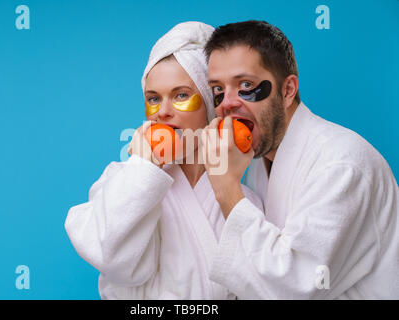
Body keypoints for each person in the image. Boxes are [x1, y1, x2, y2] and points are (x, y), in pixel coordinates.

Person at [200, 20, 399, 299]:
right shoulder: (259, 162)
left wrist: (225, 187)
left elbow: (292, 289)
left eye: (246, 84)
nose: (226, 103)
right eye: (218, 90)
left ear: (288, 90)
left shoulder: (341, 163)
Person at [64, 21, 262, 299]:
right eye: (153, 99)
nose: (163, 112)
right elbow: (107, 255)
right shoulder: (123, 180)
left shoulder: (242, 200)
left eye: (181, 95)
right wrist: (143, 169)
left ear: (208, 103)